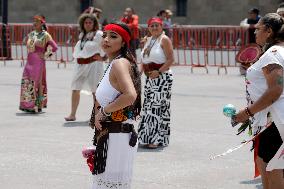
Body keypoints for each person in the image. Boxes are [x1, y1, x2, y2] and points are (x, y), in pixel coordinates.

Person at [234, 13, 284, 189]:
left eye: (258, 29)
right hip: (272, 120)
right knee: (269, 166)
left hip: (274, 122)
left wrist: (247, 112)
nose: (255, 33)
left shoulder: (273, 53)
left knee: (272, 169)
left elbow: (275, 91)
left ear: (269, 31)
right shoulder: (277, 51)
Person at [89, 22, 141, 188]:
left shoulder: (119, 63)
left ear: (124, 42)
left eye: (113, 36)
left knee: (109, 185)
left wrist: (103, 111)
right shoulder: (114, 62)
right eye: (104, 35)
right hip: (111, 135)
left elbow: (130, 95)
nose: (106, 39)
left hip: (117, 136)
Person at [138, 17, 174, 149]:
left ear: (161, 26)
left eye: (156, 25)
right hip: (150, 78)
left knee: (157, 107)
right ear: (148, 27)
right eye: (151, 26)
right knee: (148, 107)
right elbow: (143, 60)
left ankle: (156, 138)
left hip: (162, 77)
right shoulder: (148, 40)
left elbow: (171, 59)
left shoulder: (164, 39)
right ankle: (146, 136)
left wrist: (158, 72)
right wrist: (139, 73)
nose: (154, 28)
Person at [65, 13, 105, 121]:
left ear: (94, 23)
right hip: (80, 65)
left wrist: (104, 58)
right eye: (86, 22)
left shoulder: (99, 34)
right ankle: (72, 114)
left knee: (95, 91)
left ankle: (97, 115)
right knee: (75, 88)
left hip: (94, 65)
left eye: (90, 22)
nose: (87, 24)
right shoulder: (82, 35)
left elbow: (107, 45)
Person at [19, 14, 58, 113]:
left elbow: (55, 47)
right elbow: (29, 45)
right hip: (30, 61)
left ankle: (37, 104)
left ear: (42, 23)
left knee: (37, 83)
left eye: (37, 21)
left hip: (38, 62)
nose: (34, 23)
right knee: (28, 82)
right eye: (34, 21)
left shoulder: (45, 35)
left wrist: (45, 55)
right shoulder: (31, 34)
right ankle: (28, 104)